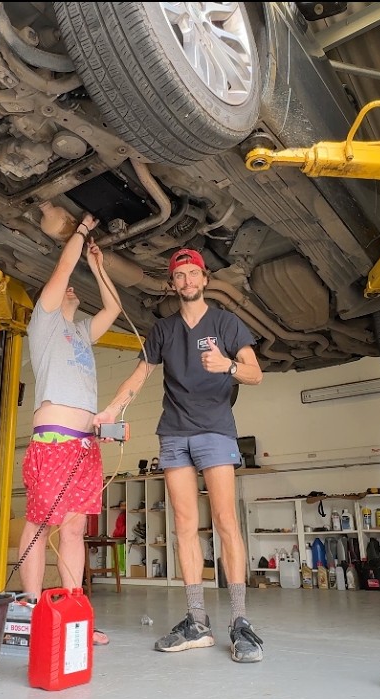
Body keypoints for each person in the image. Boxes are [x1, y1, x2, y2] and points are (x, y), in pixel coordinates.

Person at [93, 247, 265, 663]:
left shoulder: (226, 323)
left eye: (194, 274)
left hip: (215, 431)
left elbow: (255, 373)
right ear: (173, 284)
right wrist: (112, 409)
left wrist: (226, 365)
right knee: (185, 527)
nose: (187, 281)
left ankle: (240, 622)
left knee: (225, 522)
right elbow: (140, 374)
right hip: (174, 435)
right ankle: (197, 621)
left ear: (205, 279)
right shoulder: (164, 330)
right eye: (180, 276)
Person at [12, 201, 120, 647]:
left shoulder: (81, 334)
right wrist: (82, 230)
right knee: (39, 524)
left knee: (74, 529)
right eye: (65, 291)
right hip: (54, 442)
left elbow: (113, 308)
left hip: (84, 446)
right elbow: (61, 269)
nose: (70, 291)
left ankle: (74, 610)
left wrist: (99, 266)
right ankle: (33, 609)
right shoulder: (45, 324)